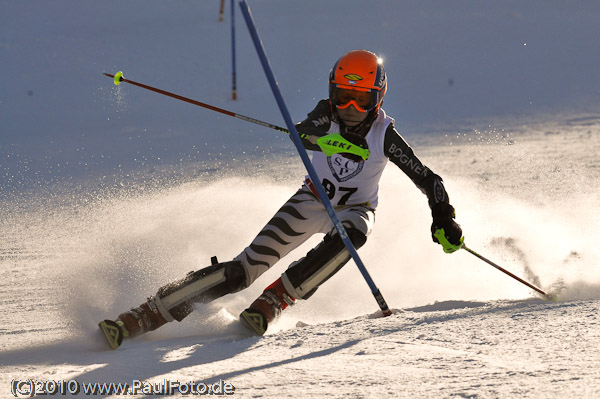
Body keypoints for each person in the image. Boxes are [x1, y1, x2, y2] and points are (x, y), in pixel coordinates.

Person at [100, 49, 464, 344]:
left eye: (361, 100)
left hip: (355, 209)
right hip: (310, 202)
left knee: (352, 237)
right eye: (343, 97)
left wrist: (442, 216)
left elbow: (427, 178)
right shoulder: (326, 116)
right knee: (240, 272)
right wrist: (326, 139)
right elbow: (302, 133)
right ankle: (147, 312)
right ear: (332, 93)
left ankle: (277, 299)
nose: (350, 109)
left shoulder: (384, 134)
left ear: (378, 98)